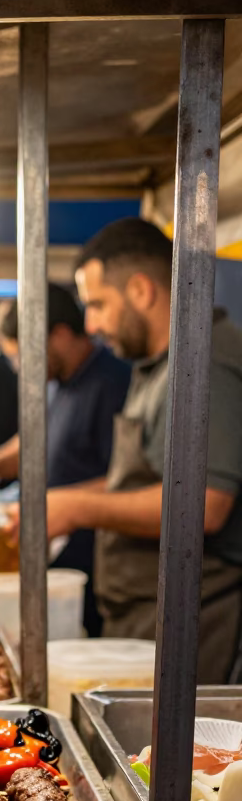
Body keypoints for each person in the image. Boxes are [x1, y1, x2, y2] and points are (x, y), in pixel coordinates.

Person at [15, 219, 242, 681]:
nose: (91, 324)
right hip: (147, 618)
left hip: (194, 627)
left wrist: (77, 507)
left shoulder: (207, 364)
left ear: (141, 290)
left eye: (98, 304)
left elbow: (204, 505)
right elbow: (143, 479)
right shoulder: (156, 367)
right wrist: (58, 502)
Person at [0, 284, 131, 636]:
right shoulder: (58, 382)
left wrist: (69, 506)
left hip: (96, 572)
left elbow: (126, 479)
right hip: (55, 563)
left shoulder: (113, 384)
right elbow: (36, 442)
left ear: (60, 335)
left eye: (25, 357)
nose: (21, 369)